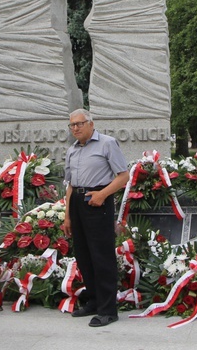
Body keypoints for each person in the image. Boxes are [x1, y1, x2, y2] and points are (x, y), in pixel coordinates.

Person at [61, 109, 130, 327]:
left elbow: (124, 176)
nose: (76, 128)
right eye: (72, 125)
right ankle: (94, 300)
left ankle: (108, 310)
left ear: (91, 124)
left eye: (80, 124)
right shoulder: (72, 150)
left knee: (102, 257)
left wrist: (102, 194)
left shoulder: (107, 143)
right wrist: (67, 216)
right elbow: (71, 184)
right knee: (83, 255)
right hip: (77, 204)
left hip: (98, 201)